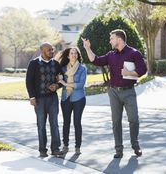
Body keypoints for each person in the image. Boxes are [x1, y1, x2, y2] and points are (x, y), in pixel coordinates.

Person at [82, 29, 147, 158]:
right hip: (113, 92)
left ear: (119, 39)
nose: (110, 41)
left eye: (111, 38)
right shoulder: (111, 55)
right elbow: (96, 60)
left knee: (133, 120)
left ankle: (135, 145)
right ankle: (119, 149)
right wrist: (88, 48)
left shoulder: (134, 53)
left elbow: (143, 70)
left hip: (129, 92)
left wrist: (128, 73)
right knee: (116, 122)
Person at [26, 42, 63, 157]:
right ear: (42, 51)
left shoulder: (56, 64)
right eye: (49, 50)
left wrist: (57, 86)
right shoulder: (33, 64)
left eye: (52, 50)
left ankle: (55, 149)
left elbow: (62, 79)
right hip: (39, 100)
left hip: (52, 99)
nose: (52, 52)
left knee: (54, 124)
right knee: (41, 125)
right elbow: (29, 81)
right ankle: (42, 150)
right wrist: (32, 97)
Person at [57, 47, 87, 155]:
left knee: (77, 122)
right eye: (71, 53)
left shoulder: (82, 68)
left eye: (75, 53)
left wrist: (66, 84)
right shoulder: (63, 69)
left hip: (79, 98)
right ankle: (65, 146)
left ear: (78, 55)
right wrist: (59, 80)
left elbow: (80, 85)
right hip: (66, 98)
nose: (73, 55)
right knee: (66, 123)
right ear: (68, 56)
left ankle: (77, 147)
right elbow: (59, 81)